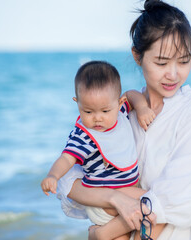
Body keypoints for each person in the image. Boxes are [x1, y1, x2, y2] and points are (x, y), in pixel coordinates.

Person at [57, 0, 191, 239]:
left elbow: (175, 199)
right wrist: (114, 197)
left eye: (184, 61)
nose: (173, 74)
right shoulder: (120, 114)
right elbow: (69, 180)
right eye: (162, 62)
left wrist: (102, 234)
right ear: (137, 56)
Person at [41, 60, 159, 240]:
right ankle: (108, 235)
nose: (97, 119)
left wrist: (142, 107)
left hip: (120, 197)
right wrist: (53, 176)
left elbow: (133, 94)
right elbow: (66, 159)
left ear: (120, 103)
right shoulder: (84, 136)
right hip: (104, 199)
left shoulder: (120, 113)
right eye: (88, 111)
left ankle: (98, 235)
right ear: (77, 103)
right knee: (154, 202)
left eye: (105, 111)